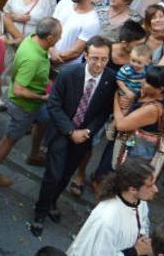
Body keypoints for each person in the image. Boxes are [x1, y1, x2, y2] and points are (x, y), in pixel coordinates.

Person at [31, 37, 118, 237]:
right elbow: (53, 104)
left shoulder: (110, 79)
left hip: (84, 136)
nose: (99, 64)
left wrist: (87, 132)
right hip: (63, 132)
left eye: (104, 59)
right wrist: (71, 131)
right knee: (53, 175)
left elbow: (103, 112)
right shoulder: (69, 74)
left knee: (67, 173)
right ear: (85, 55)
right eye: (94, 58)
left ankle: (53, 202)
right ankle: (40, 212)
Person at [0, 18, 62, 187]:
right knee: (9, 139)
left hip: (35, 102)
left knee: (44, 118)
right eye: (59, 36)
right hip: (24, 106)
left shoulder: (32, 38)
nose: (60, 38)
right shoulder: (33, 59)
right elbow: (19, 90)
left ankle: (34, 154)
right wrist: (42, 98)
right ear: (49, 38)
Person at [66, 158, 156, 256]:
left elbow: (142, 224)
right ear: (133, 189)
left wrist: (143, 240)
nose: (155, 189)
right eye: (149, 186)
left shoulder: (140, 202)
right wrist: (136, 251)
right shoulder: (107, 218)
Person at [50, 0, 101, 66]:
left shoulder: (92, 21)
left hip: (66, 68)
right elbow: (49, 28)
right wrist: (51, 51)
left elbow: (76, 51)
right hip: (46, 58)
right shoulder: (63, 3)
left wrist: (54, 58)